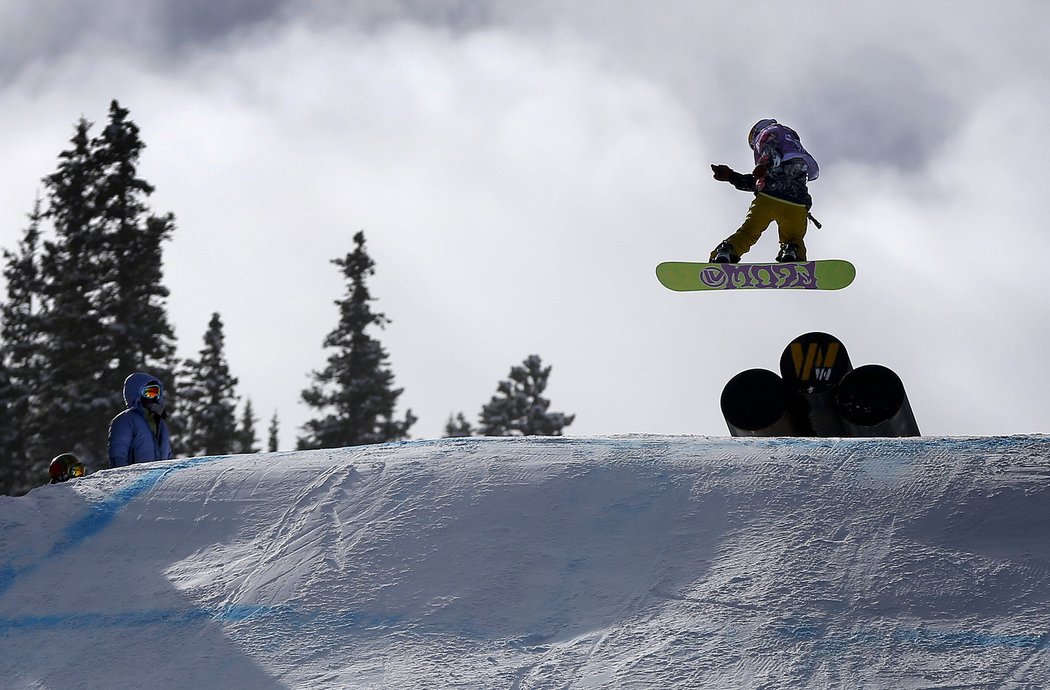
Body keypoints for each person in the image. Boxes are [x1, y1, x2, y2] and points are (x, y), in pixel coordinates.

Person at [709, 118, 820, 263]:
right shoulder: (795, 150)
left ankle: (727, 252)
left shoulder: (768, 133)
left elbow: (771, 154)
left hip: (769, 197)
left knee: (748, 232)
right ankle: (791, 252)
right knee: (794, 238)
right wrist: (732, 176)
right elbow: (760, 180)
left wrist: (763, 164)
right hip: (797, 201)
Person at [107, 372, 174, 467]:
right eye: (148, 393)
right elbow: (118, 454)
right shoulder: (125, 420)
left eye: (155, 392)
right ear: (136, 393)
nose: (153, 397)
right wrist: (123, 476)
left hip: (159, 478)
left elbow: (168, 455)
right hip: (136, 477)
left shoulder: (159, 422)